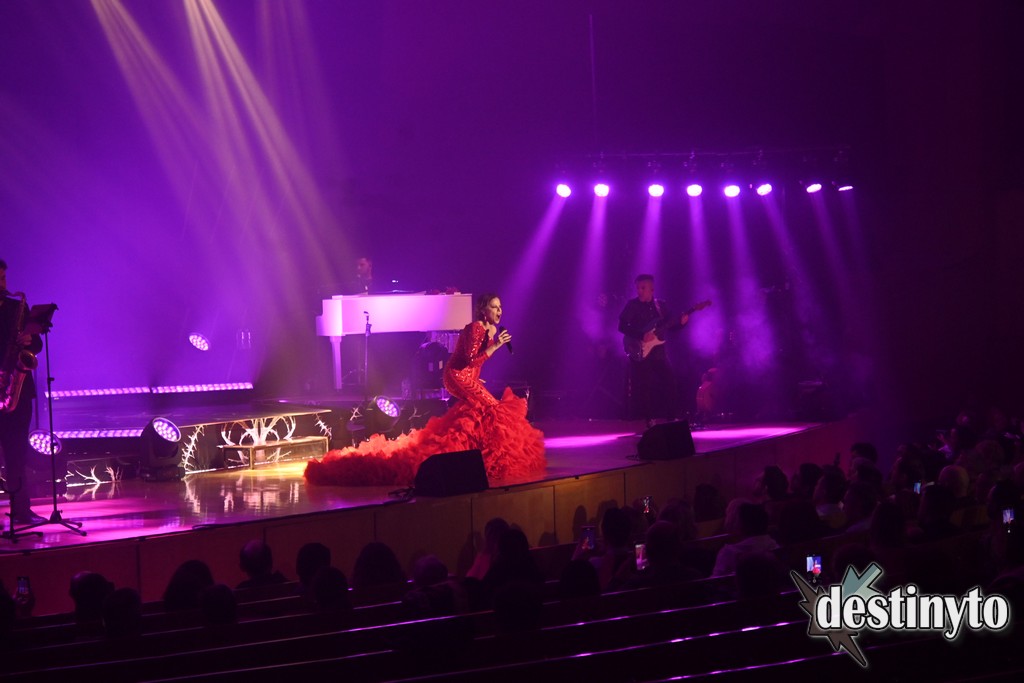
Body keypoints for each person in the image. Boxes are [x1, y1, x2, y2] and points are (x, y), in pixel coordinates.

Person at [305, 293, 546, 485]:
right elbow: (470, 360)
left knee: (478, 412)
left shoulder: (490, 330)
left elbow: (475, 364)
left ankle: (474, 453)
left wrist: (477, 376)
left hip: (468, 376)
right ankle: (490, 456)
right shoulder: (475, 328)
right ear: (483, 310)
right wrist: (495, 346)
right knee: (495, 408)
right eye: (494, 307)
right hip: (457, 376)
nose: (499, 311)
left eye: (500, 307)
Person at [0, 259, 44, 524]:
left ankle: (21, 511)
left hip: (17, 390)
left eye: (3, 278)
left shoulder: (17, 306)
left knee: (17, 452)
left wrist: (30, 340)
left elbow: (36, 344)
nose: (2, 284)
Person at [617, 274, 691, 426]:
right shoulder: (632, 305)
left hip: (658, 352)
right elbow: (622, 326)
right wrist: (641, 335)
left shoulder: (660, 306)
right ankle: (649, 419)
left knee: (670, 382)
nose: (639, 291)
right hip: (640, 351)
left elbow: (671, 326)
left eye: (642, 288)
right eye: (638, 288)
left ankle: (671, 417)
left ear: (651, 289)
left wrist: (682, 324)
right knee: (645, 386)